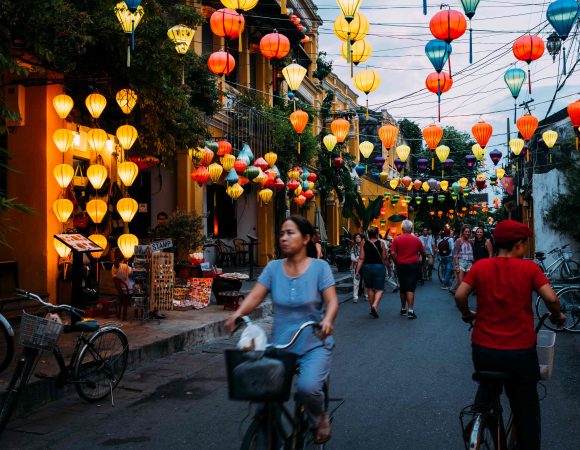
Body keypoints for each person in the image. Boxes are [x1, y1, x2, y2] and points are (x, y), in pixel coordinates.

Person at [225, 216, 338, 444]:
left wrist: (327, 320)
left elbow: (332, 301)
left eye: (290, 233)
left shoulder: (320, 267)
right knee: (263, 393)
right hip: (279, 346)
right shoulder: (273, 268)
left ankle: (319, 419)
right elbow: (256, 295)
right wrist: (239, 314)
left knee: (308, 388)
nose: (284, 238)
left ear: (306, 238)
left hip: (313, 343)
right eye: (282, 233)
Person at [454, 220, 566, 450]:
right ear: (519, 245)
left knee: (487, 386)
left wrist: (467, 314)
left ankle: (479, 418)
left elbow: (460, 295)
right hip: (519, 352)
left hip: (484, 348)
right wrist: (558, 316)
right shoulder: (530, 268)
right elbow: (552, 299)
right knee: (526, 409)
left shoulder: (481, 266)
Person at [390, 220, 425, 320]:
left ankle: (403, 308)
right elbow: (423, 252)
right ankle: (410, 310)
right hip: (413, 265)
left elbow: (392, 253)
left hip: (401, 265)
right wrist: (422, 263)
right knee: (410, 288)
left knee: (403, 287)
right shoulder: (417, 240)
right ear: (411, 229)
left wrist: (396, 261)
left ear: (402, 229)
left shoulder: (396, 239)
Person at [355, 227, 388, 318]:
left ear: (368, 235)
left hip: (367, 267)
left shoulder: (363, 243)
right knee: (380, 289)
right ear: (377, 234)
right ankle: (375, 305)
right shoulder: (381, 243)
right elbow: (384, 257)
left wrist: (357, 271)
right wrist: (388, 267)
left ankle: (372, 307)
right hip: (379, 267)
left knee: (369, 288)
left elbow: (361, 258)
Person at [451, 225, 474, 294]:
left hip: (469, 263)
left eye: (469, 232)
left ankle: (461, 296)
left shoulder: (471, 241)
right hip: (461, 263)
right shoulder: (459, 240)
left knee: (467, 284)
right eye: (466, 231)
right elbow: (455, 254)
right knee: (461, 284)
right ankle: (460, 300)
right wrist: (457, 265)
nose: (467, 233)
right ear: (463, 232)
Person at [350, 233, 365, 303]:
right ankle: (355, 297)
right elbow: (352, 257)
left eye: (359, 237)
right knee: (356, 281)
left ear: (361, 238)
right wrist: (357, 259)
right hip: (357, 266)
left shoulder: (365, 246)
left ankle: (367, 295)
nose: (357, 238)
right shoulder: (354, 247)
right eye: (356, 237)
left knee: (366, 281)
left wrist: (359, 258)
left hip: (365, 265)